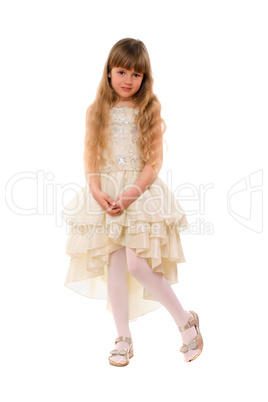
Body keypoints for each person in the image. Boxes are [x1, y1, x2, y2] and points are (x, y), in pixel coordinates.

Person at [61, 38, 203, 367]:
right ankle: (122, 337)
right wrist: (96, 190)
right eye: (122, 71)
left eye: (136, 74)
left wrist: (132, 193)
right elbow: (91, 156)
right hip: (106, 193)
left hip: (140, 192)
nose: (128, 79)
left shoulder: (148, 108)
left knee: (139, 265)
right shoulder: (95, 111)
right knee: (114, 264)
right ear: (109, 72)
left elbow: (153, 162)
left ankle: (185, 322)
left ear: (144, 78)